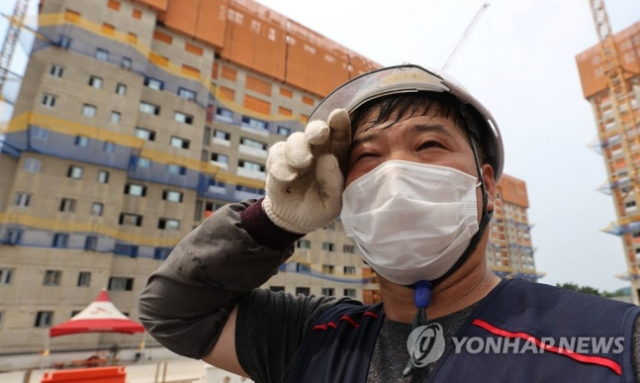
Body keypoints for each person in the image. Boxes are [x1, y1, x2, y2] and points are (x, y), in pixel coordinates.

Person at [139, 64, 640, 382]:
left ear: (487, 187)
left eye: (428, 145)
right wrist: (272, 224)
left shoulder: (610, 345)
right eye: (367, 157)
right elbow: (174, 313)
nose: (395, 174)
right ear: (342, 196)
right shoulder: (313, 338)